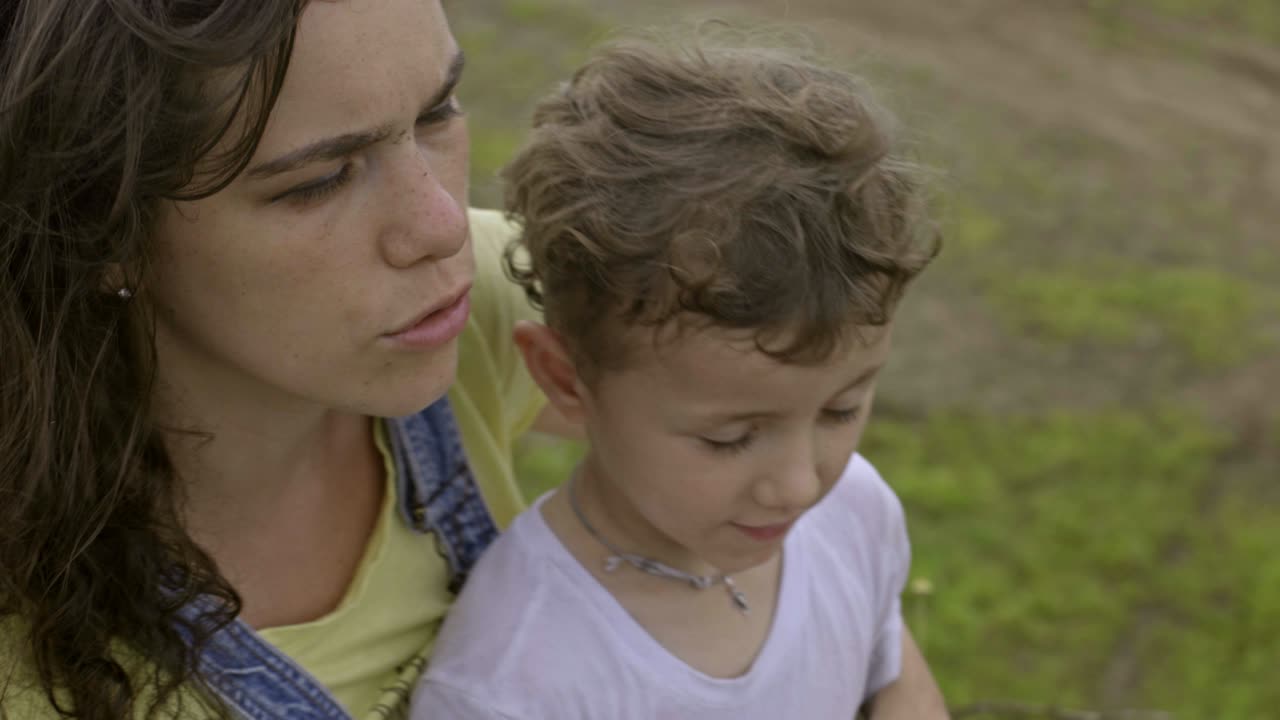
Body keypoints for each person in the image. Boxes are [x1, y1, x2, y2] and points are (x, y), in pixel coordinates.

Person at [0, 1, 562, 718]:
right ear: (103, 226)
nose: (443, 226)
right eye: (321, 179)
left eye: (437, 112)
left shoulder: (470, 302)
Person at [411, 32, 951, 720]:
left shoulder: (856, 513)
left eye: (841, 410)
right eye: (729, 438)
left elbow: (893, 676)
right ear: (568, 380)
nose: (800, 483)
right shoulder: (513, 681)